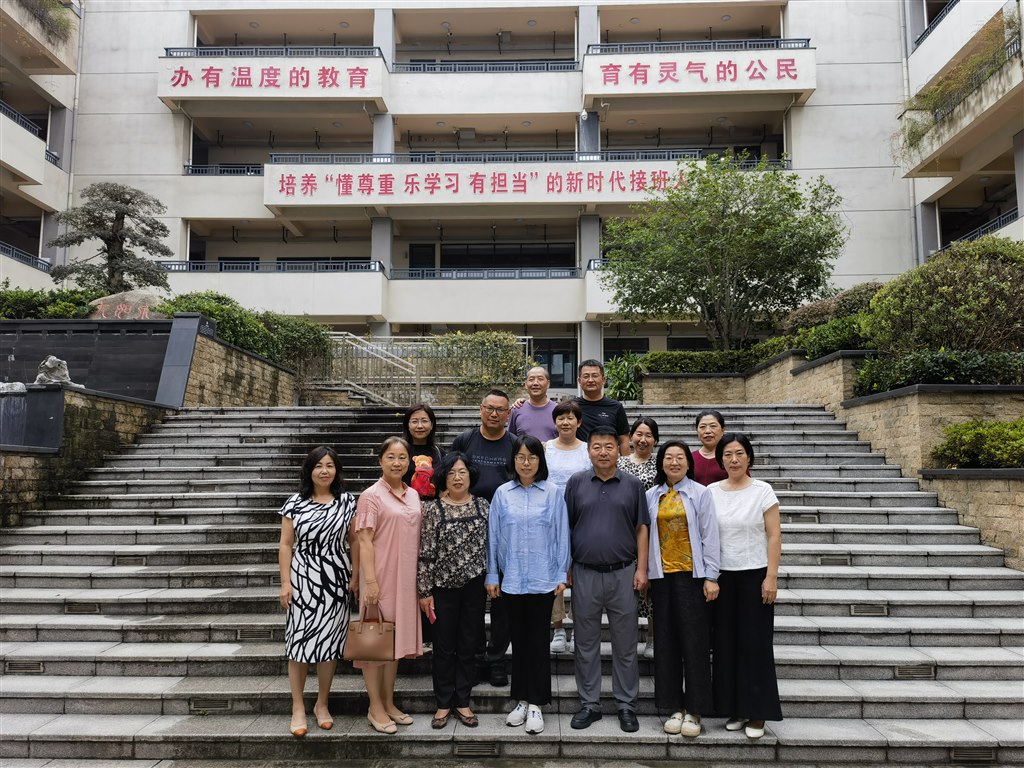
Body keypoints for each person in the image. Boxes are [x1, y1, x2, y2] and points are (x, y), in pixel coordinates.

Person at [564, 426, 649, 733]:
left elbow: (642, 527)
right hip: (584, 572)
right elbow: (566, 526)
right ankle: (590, 704)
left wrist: (642, 569)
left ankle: (626, 704)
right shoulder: (576, 483)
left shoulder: (633, 485)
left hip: (623, 573)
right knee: (585, 643)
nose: (603, 452)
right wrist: (566, 566)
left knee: (625, 644)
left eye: (609, 446)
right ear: (588, 451)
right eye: (597, 447)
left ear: (619, 450)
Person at [486, 435, 570, 735]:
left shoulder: (552, 492)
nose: (526, 463)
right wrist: (492, 575)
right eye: (520, 457)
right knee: (519, 642)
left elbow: (562, 534)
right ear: (513, 460)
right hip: (511, 580)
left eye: (532, 457)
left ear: (540, 461)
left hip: (542, 578)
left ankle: (536, 703)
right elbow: (493, 537)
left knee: (537, 642)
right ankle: (521, 700)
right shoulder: (502, 494)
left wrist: (561, 573)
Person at [707, 432, 783, 739]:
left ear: (749, 457)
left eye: (739, 453)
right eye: (727, 454)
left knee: (755, 644)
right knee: (726, 645)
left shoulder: (762, 490)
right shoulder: (711, 491)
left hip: (755, 575)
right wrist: (709, 576)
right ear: (720, 460)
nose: (734, 459)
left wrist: (771, 576)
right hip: (722, 577)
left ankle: (758, 712)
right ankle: (736, 708)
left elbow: (774, 535)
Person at [278, 446, 357, 738]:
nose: (324, 471)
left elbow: (355, 541)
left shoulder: (347, 501)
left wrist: (356, 575)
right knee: (298, 643)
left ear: (337, 470)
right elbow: (286, 544)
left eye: (330, 465)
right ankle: (298, 706)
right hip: (303, 577)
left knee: (329, 643)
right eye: (318, 466)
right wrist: (285, 582)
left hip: (336, 577)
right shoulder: (294, 503)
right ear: (309, 470)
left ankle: (322, 703)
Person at [646, 440, 720, 738]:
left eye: (680, 458)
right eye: (668, 457)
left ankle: (695, 709)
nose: (674, 462)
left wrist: (711, 576)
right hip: (661, 578)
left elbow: (710, 536)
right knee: (666, 642)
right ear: (661, 463)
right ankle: (673, 706)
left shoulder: (701, 493)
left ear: (689, 463)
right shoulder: (652, 495)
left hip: (693, 577)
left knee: (695, 643)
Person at [354, 436, 423, 734]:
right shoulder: (371, 496)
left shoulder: (413, 494)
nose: (397, 463)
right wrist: (369, 581)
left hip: (406, 580)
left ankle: (388, 701)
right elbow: (364, 540)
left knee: (394, 642)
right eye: (391, 457)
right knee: (375, 645)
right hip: (380, 578)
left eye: (402, 457)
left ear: (409, 462)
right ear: (380, 461)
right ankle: (375, 707)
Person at [417, 452, 488, 730]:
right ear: (443, 478)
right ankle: (443, 702)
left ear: (471, 475)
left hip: (474, 587)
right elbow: (425, 552)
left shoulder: (483, 506)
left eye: (462, 472)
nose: (457, 478)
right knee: (444, 647)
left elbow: (492, 545)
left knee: (469, 644)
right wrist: (425, 590)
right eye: (451, 473)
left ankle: (463, 700)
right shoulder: (434, 510)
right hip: (442, 589)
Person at [450, 389, 515, 687]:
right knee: (472, 601)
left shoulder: (514, 444)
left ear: (508, 414)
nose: (494, 414)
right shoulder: (465, 441)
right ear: (480, 409)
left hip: (505, 532)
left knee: (503, 602)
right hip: (468, 532)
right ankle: (475, 657)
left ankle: (497, 658)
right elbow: (449, 476)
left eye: (500, 409)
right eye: (489, 408)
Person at [543, 400, 591, 654]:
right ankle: (559, 628)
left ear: (578, 422)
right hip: (551, 517)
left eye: (570, 418)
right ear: (554, 422)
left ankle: (578, 627)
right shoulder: (546, 448)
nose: (565, 422)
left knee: (580, 574)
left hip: (582, 518)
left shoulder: (587, 450)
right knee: (556, 571)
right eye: (560, 418)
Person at [617, 416, 660, 658]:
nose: (643, 439)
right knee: (627, 589)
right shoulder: (620, 463)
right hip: (624, 531)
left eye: (648, 435)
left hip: (654, 532)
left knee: (652, 586)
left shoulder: (660, 464)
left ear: (655, 440)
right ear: (631, 437)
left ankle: (652, 638)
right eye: (639, 434)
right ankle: (628, 640)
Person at [573, 359, 630, 455]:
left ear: (603, 379)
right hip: (578, 461)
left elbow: (623, 440)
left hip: (606, 459)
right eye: (586, 376)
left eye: (595, 376)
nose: (590, 380)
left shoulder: (615, 407)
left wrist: (625, 461)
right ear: (579, 381)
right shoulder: (572, 407)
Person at [402, 403, 445, 501]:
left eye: (424, 421)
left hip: (433, 507)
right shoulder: (400, 451)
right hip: (404, 506)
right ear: (408, 425)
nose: (420, 426)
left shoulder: (439, 453)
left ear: (431, 425)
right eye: (414, 421)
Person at [508, 366, 557, 441]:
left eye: (540, 379)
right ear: (525, 384)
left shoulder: (557, 410)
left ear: (548, 384)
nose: (535, 383)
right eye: (531, 379)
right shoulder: (517, 409)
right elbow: (510, 439)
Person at [692, 409, 729, 487]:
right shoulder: (690, 458)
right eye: (702, 427)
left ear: (723, 430)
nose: (708, 431)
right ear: (697, 431)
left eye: (713, 426)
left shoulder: (732, 457)